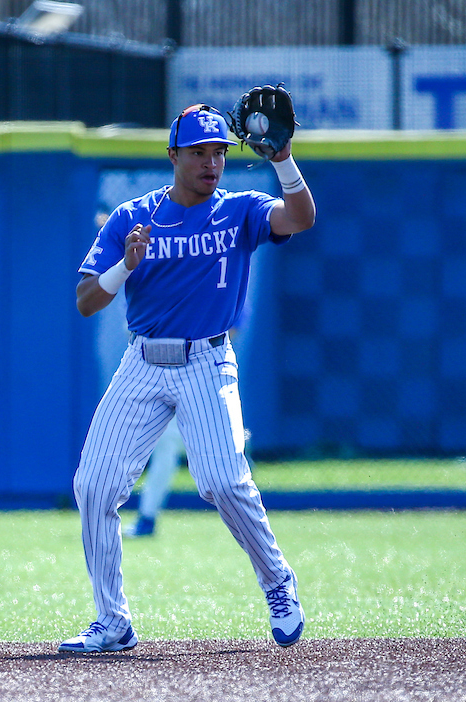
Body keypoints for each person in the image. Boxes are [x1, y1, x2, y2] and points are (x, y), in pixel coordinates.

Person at [59, 102, 316, 653]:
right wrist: (126, 265)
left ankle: (278, 582)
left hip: (207, 361)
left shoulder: (239, 210)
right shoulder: (135, 216)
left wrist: (286, 161)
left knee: (222, 481)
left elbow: (300, 218)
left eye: (220, 152)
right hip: (143, 363)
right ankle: (113, 621)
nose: (211, 162)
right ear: (173, 155)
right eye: (199, 151)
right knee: (93, 487)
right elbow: (85, 301)